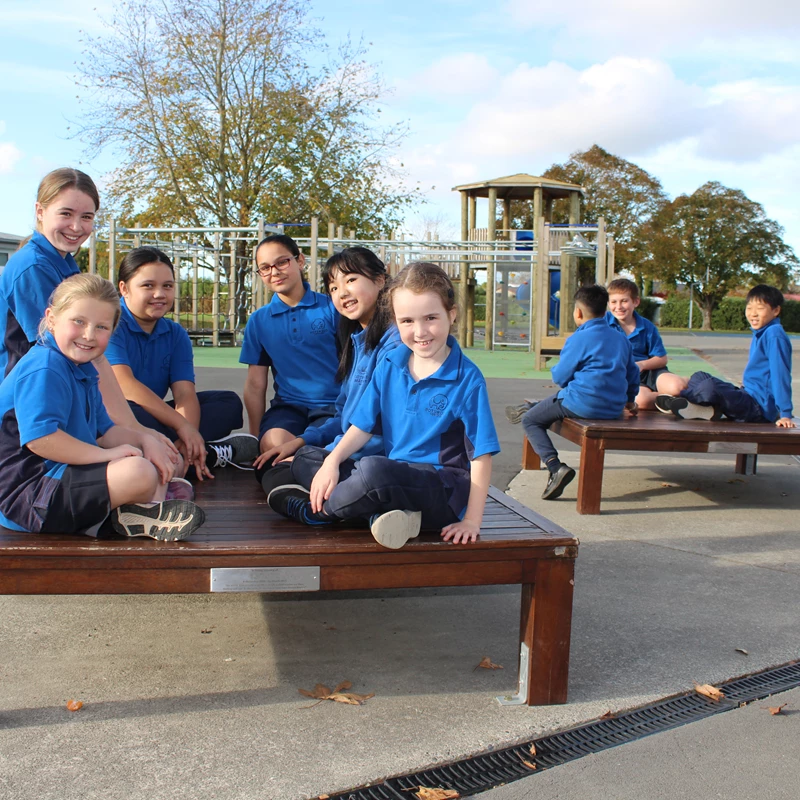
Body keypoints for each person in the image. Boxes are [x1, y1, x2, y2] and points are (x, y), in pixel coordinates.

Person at [267, 261, 500, 550]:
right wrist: (332, 462)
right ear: (395, 321)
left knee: (374, 472)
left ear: (451, 315)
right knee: (309, 458)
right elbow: (362, 427)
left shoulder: (467, 379)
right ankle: (383, 516)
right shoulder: (391, 363)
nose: (420, 331)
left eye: (430, 318)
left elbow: (481, 457)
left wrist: (471, 521)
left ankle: (319, 514)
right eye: (407, 321)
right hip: (394, 477)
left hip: (440, 490)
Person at [0, 167, 179, 484]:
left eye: (86, 217)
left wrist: (135, 432)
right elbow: (79, 354)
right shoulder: (32, 266)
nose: (76, 226)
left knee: (147, 451)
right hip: (25, 405)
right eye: (66, 213)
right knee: (138, 461)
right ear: (40, 212)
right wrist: (135, 431)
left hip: (64, 390)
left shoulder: (62, 261)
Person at [0, 274, 205, 540]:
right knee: (139, 471)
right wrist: (111, 456)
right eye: (79, 322)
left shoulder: (83, 367)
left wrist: (146, 439)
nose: (88, 335)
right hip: (30, 496)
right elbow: (42, 441)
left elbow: (105, 432)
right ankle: (132, 513)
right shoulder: (45, 366)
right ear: (51, 318)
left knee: (159, 456)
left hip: (61, 476)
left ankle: (139, 512)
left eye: (101, 327)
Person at [254, 246, 399, 493]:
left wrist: (325, 456)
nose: (342, 293)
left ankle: (324, 510)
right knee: (272, 469)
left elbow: (372, 427)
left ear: (379, 279)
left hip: (376, 458)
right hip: (351, 450)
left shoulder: (394, 344)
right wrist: (300, 443)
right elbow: (343, 417)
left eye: (351, 280)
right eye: (333, 288)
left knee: (285, 474)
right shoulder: (357, 343)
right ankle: (321, 504)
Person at [106, 246, 258, 481]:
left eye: (167, 286)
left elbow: (185, 392)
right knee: (127, 418)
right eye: (148, 286)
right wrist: (183, 427)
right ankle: (204, 454)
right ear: (124, 288)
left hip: (157, 415)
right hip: (121, 412)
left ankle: (177, 455)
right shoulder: (110, 324)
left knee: (227, 403)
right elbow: (125, 385)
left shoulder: (175, 333)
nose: (159, 294)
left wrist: (189, 432)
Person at [522, 285, 640, 500]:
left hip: (582, 404)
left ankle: (554, 467)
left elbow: (560, 377)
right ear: (605, 311)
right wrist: (630, 401)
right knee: (553, 403)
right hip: (613, 408)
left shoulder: (578, 338)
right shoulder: (621, 338)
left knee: (530, 420)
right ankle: (537, 406)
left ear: (578, 312)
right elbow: (632, 374)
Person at [241, 234, 340, 455]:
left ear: (300, 261)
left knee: (316, 449)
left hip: (333, 407)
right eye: (265, 268)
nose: (274, 272)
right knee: (274, 444)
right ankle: (292, 478)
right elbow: (255, 384)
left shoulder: (332, 308)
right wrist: (257, 436)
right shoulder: (259, 320)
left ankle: (297, 479)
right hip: (288, 407)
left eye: (282, 262)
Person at [655, 285, 795, 427]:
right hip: (747, 396)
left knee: (708, 387)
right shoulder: (762, 332)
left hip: (758, 408)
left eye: (760, 308)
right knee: (700, 376)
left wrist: (785, 414)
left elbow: (780, 375)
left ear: (776, 310)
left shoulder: (774, 335)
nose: (753, 313)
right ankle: (703, 408)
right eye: (749, 308)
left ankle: (682, 401)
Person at [605, 278, 687, 409]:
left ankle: (689, 388)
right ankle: (676, 402)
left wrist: (642, 365)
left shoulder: (647, 326)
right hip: (626, 376)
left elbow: (661, 358)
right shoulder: (603, 325)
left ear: (635, 302)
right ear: (608, 304)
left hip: (650, 371)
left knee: (677, 386)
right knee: (641, 400)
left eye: (624, 301)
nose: (618, 307)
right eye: (614, 302)